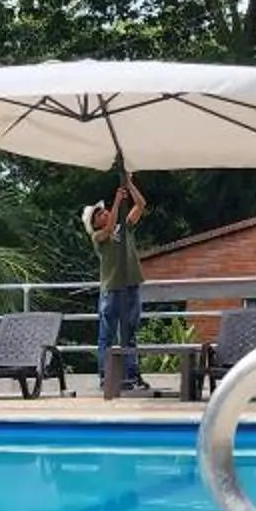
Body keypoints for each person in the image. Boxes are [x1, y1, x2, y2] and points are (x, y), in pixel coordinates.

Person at [83, 170, 152, 398]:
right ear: (94, 223)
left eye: (104, 211)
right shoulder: (98, 238)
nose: (104, 214)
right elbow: (110, 228)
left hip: (131, 284)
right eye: (99, 214)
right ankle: (106, 376)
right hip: (112, 289)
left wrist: (129, 185)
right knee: (108, 335)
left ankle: (131, 376)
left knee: (130, 332)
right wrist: (117, 200)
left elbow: (141, 204)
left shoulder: (125, 226)